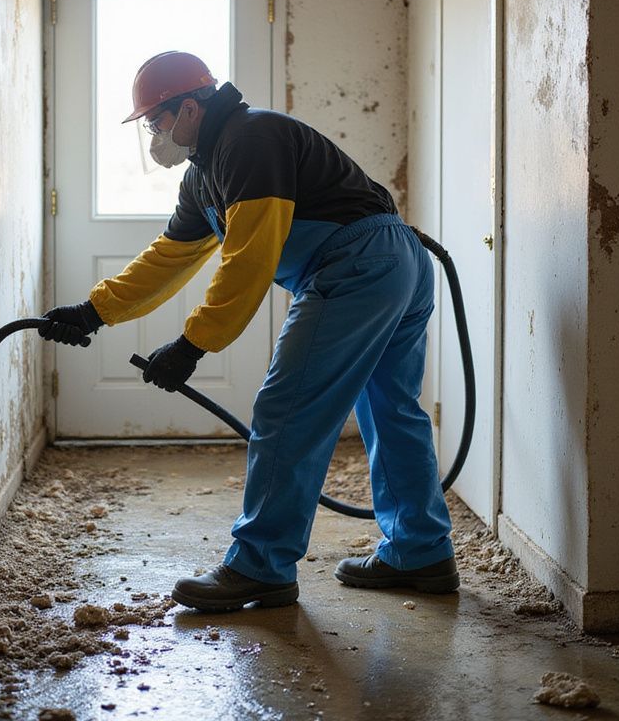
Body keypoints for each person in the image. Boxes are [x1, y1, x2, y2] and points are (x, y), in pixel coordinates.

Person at [39, 51, 458, 611]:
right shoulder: (207, 172)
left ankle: (260, 565)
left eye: (156, 121)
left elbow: (249, 259)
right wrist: (94, 311)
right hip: (396, 262)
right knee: (390, 408)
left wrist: (193, 345)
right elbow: (170, 256)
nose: (153, 135)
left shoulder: (249, 141)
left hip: (354, 265)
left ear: (189, 108)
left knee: (287, 408)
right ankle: (421, 550)